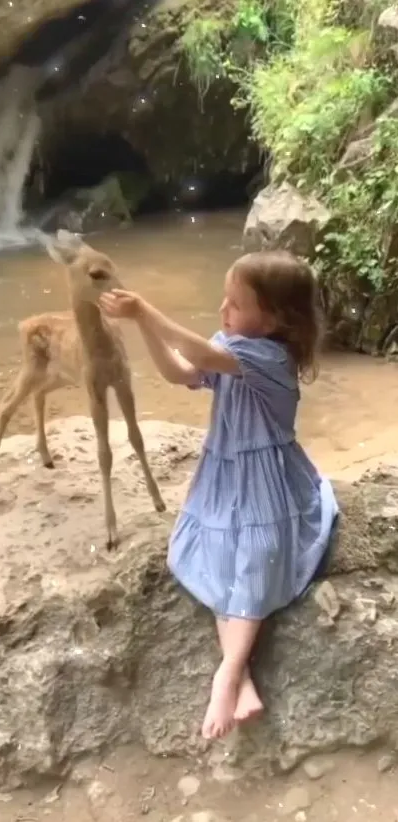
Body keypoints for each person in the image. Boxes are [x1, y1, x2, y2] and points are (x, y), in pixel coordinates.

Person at [99, 249, 339, 742]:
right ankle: (241, 676)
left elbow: (206, 358)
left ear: (274, 319)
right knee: (210, 553)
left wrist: (145, 310)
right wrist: (144, 328)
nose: (222, 312)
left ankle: (227, 672)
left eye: (235, 304)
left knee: (259, 553)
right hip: (224, 473)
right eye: (223, 300)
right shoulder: (231, 343)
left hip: (269, 476)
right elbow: (180, 371)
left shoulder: (270, 356)